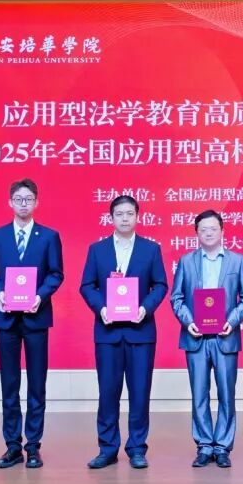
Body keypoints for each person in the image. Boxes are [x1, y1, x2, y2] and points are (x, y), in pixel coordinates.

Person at [79, 194, 168, 469]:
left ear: (137, 217)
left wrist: (145, 308)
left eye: (130, 213)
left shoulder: (150, 249)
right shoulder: (98, 249)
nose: (125, 218)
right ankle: (107, 448)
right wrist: (101, 308)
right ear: (111, 218)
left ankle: (137, 448)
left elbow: (160, 285)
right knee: (108, 392)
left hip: (141, 332)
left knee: (140, 393)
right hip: (108, 332)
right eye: (119, 214)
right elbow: (87, 285)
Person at [0, 178, 64, 470]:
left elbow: (56, 274)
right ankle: (12, 446)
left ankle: (33, 446)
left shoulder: (49, 236)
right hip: (6, 318)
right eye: (18, 199)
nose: (23, 204)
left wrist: (40, 296)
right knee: (9, 384)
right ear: (10, 202)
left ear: (36, 202)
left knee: (37, 385)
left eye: (28, 199)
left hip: (36, 317)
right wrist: (0, 293)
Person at [169, 210, 243, 468]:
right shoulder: (186, 262)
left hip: (225, 337)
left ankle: (223, 446)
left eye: (213, 228)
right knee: (199, 394)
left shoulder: (237, 261)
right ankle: (204, 445)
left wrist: (232, 321)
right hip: (195, 336)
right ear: (196, 233)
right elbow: (176, 298)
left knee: (227, 393)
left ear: (222, 231)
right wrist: (189, 322)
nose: (208, 233)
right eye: (203, 229)